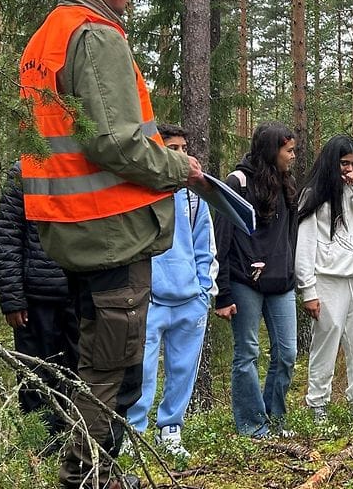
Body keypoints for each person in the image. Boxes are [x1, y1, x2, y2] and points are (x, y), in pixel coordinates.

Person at [18, 0, 206, 488]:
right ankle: (87, 477)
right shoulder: (96, 35)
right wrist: (178, 169)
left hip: (72, 231)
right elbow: (116, 142)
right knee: (114, 372)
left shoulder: (46, 36)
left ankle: (96, 474)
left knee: (95, 362)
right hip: (110, 232)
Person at [126, 124, 217, 460]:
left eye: (183, 148)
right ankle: (134, 432)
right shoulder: (140, 191)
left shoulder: (194, 195)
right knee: (142, 370)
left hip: (190, 299)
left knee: (182, 370)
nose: (180, 154)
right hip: (149, 299)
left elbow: (205, 245)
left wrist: (204, 291)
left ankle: (171, 429)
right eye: (172, 148)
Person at [213, 121, 299, 438]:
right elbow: (221, 239)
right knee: (247, 353)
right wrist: (222, 294)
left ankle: (274, 420)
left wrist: (290, 269)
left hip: (281, 282)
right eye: (288, 150)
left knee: (287, 354)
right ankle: (252, 427)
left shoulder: (287, 183)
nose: (293, 156)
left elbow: (289, 236)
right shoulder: (237, 183)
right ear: (271, 150)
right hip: (243, 282)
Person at [296, 135, 353, 420]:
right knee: (326, 339)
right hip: (327, 278)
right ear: (330, 163)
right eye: (344, 163)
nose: (350, 169)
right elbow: (305, 244)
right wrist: (308, 290)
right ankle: (318, 403)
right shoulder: (313, 194)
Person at [0, 161, 78, 446]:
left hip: (78, 294)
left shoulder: (83, 165)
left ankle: (77, 442)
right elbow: (7, 236)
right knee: (35, 376)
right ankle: (41, 448)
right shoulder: (23, 171)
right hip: (34, 299)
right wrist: (12, 298)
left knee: (78, 373)